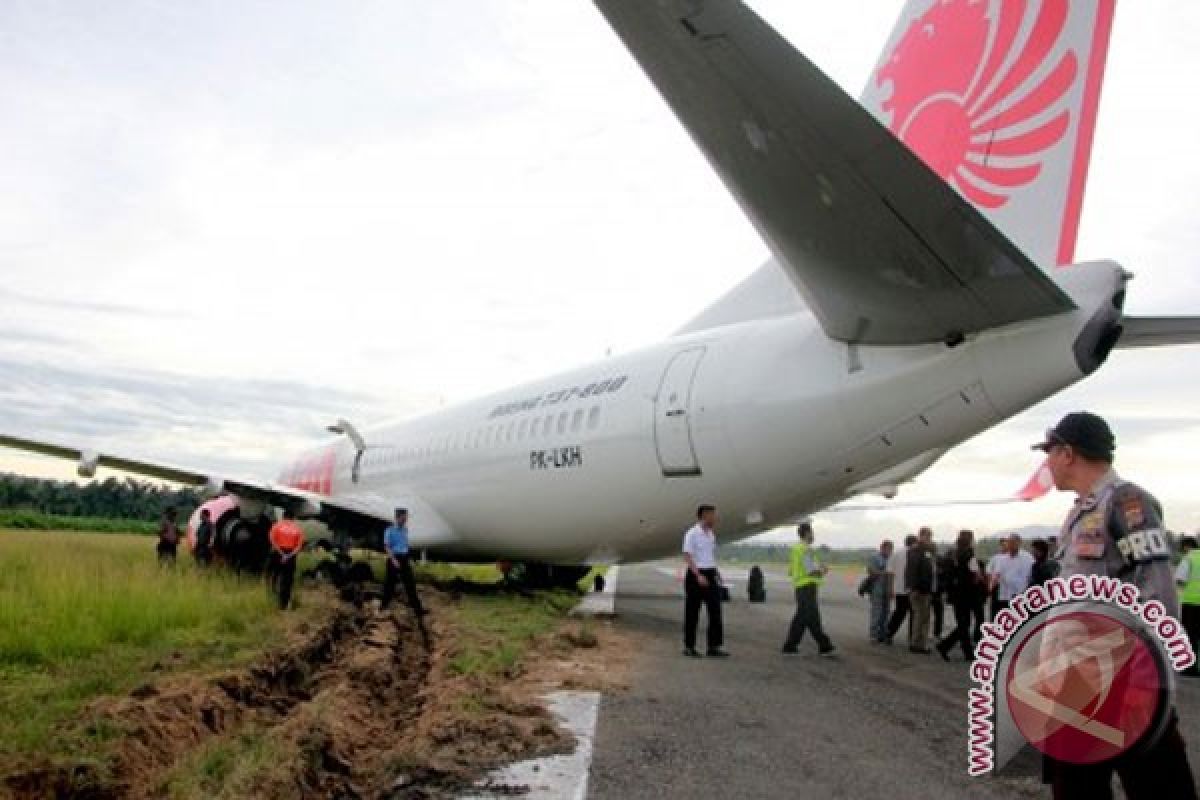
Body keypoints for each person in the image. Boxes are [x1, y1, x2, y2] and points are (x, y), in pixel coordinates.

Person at [1033, 411, 1196, 798]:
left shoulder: (1127, 503)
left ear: (1068, 453)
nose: (1047, 462)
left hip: (1121, 687)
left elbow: (1157, 596)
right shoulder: (1081, 512)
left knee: (1160, 788)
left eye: (1050, 452)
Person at [782, 521, 836, 656]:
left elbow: (791, 570)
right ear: (807, 533)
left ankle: (791, 645)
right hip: (807, 587)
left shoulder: (796, 549)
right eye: (812, 532)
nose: (813, 535)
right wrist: (823, 571)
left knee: (803, 617)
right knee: (811, 617)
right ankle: (824, 645)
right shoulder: (806, 549)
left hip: (800, 586)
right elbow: (810, 570)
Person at [681, 504, 727, 658]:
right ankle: (689, 646)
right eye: (712, 515)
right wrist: (698, 575)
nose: (715, 518)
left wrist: (716, 571)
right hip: (696, 575)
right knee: (692, 612)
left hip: (710, 572)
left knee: (715, 611)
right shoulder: (692, 533)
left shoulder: (711, 534)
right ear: (703, 516)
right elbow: (687, 556)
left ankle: (713, 646)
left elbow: (709, 555)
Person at [937, 530, 977, 661]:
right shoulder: (969, 554)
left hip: (954, 593)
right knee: (964, 623)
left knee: (963, 623)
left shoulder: (952, 552)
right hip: (966, 592)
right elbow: (974, 573)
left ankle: (966, 652)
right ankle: (945, 646)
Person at [381, 508, 426, 616]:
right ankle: (383, 606)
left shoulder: (405, 530)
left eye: (406, 517)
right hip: (393, 558)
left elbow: (405, 545)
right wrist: (393, 560)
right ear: (398, 517)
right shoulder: (389, 530)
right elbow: (387, 547)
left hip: (404, 558)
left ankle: (418, 610)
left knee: (410, 585)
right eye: (404, 517)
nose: (406, 519)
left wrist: (408, 558)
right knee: (390, 585)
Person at [987, 533, 1034, 617]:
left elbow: (1031, 574)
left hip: (1020, 593)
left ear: (1019, 543)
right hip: (1004, 594)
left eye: (1013, 542)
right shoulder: (1002, 559)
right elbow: (997, 574)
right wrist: (990, 587)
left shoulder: (1027, 558)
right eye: (1009, 542)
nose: (1010, 545)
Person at [906, 527, 936, 653]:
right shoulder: (917, 551)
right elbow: (913, 570)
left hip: (924, 588)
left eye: (930, 537)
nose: (930, 539)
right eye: (928, 536)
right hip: (920, 589)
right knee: (921, 617)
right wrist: (915, 587)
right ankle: (918, 644)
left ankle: (918, 643)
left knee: (922, 617)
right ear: (921, 536)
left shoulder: (925, 551)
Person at [268, 509, 305, 610]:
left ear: (283, 516)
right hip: (291, 555)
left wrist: (281, 553)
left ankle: (271, 596)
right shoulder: (298, 529)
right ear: (293, 518)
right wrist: (289, 555)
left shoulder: (276, 526)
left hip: (278, 553)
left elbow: (272, 540)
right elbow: (299, 546)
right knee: (287, 580)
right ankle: (283, 604)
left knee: (274, 575)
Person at [885, 534, 918, 644]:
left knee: (899, 613)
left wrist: (890, 588)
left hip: (899, 589)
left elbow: (890, 573)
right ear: (914, 543)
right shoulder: (916, 554)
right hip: (912, 589)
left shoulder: (895, 554)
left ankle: (889, 633)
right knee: (914, 614)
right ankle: (912, 637)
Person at [1175, 535, 1200, 677]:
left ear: (1186, 547)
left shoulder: (1189, 558)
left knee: (1191, 635)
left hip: (1191, 603)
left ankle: (1191, 668)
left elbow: (1180, 578)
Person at [867, 539, 894, 644]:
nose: (890, 551)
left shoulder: (891, 558)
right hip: (877, 588)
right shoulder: (875, 557)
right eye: (888, 549)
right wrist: (884, 572)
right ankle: (873, 635)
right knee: (876, 612)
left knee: (886, 613)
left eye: (891, 549)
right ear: (882, 548)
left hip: (888, 588)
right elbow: (871, 571)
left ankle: (882, 634)